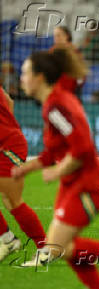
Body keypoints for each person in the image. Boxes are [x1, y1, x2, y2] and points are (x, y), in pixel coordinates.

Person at [12, 48, 99, 289]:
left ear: (39, 77)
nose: (21, 78)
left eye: (25, 73)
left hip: (87, 185)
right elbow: (52, 153)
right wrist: (25, 169)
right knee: (61, 248)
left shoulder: (55, 107)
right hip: (73, 184)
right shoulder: (55, 101)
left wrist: (58, 172)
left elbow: (83, 147)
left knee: (58, 248)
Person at [0, 87, 46, 261]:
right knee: (9, 198)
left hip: (9, 147)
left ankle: (44, 248)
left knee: (12, 199)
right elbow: (9, 100)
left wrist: (7, 130)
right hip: (7, 142)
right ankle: (8, 240)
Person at [51, 26, 85, 96]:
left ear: (67, 36)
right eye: (55, 36)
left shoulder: (74, 51)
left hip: (71, 90)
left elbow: (81, 72)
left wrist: (79, 84)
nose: (56, 38)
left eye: (59, 35)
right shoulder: (52, 51)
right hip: (56, 89)